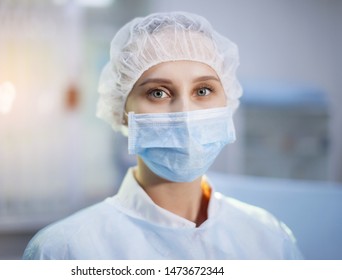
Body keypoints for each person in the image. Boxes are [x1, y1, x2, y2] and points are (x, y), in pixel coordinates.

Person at [23, 11, 302, 259]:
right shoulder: (66, 250)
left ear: (226, 101)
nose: (184, 113)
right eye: (158, 92)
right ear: (122, 110)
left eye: (203, 91)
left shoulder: (269, 240)